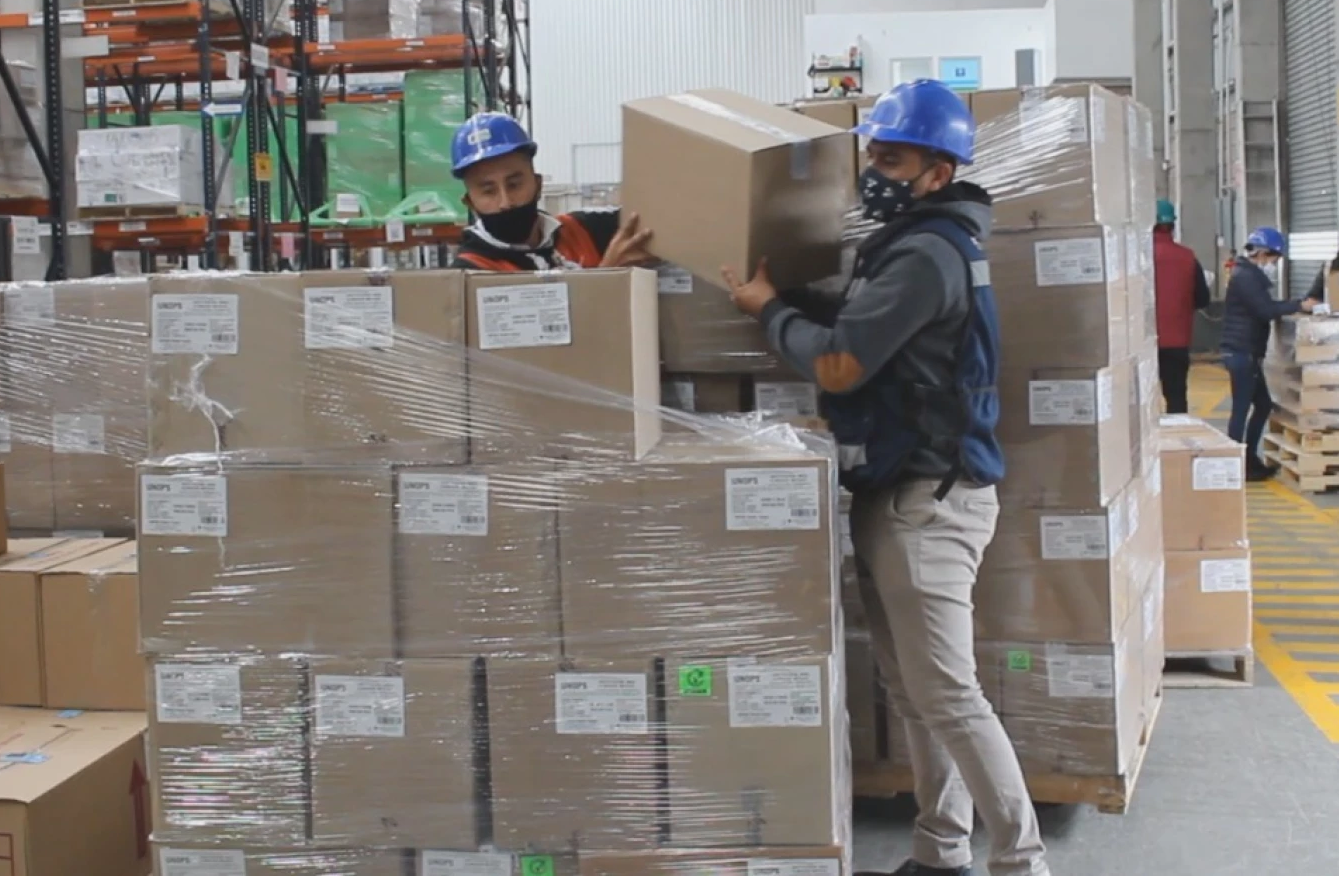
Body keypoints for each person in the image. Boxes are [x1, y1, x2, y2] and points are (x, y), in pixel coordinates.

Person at [720, 79, 1047, 876]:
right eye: (873, 152)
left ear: (939, 170)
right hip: (891, 490)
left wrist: (765, 307)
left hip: (928, 504)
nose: (875, 169)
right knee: (914, 693)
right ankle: (941, 851)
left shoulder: (929, 254)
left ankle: (1023, 862)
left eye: (892, 158)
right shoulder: (907, 244)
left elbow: (837, 362)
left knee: (950, 695)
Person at [448, 112, 654, 270]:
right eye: (488, 191)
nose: (505, 202)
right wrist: (611, 276)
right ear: (470, 202)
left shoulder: (584, 231)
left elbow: (660, 218)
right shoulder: (470, 273)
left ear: (538, 184)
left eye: (514, 185)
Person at [1221, 226, 1316, 480]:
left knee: (1262, 405)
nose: (1275, 264)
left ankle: (1249, 457)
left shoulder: (1246, 274)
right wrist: (1298, 305)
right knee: (1242, 408)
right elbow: (1264, 310)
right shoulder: (1246, 277)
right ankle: (1238, 463)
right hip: (1242, 353)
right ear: (1263, 253)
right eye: (1275, 258)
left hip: (1245, 352)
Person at [1152, 198, 1212, 414]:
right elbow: (1203, 298)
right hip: (1177, 342)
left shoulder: (1136, 257)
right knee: (1176, 398)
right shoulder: (1188, 257)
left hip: (1143, 344)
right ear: (1173, 225)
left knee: (1140, 403)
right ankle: (1177, 443)